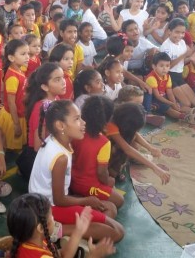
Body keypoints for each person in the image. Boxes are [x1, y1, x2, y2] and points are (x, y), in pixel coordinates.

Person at [29, 100, 125, 243]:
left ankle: (73, 234)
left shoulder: (55, 139)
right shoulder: (60, 157)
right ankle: (56, 230)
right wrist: (86, 200)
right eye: (77, 119)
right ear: (61, 125)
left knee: (110, 207)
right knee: (117, 231)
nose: (83, 122)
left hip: (43, 202)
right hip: (49, 208)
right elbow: (59, 199)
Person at [7, 193, 116, 258]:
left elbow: (62, 255)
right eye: (52, 217)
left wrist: (78, 232)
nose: (54, 219)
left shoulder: (30, 241)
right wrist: (95, 255)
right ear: (40, 228)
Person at [71, 96, 124, 209]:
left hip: (72, 179)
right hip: (88, 185)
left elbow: (74, 158)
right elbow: (101, 173)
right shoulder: (104, 142)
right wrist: (105, 183)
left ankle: (79, 196)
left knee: (112, 180)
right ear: (107, 119)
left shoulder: (75, 133)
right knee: (119, 201)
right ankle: (83, 202)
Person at [0, 39, 29, 150]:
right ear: (11, 58)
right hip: (12, 118)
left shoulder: (19, 70)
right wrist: (16, 124)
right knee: (11, 146)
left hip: (19, 114)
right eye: (23, 54)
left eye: (28, 53)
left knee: (16, 145)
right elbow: (11, 102)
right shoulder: (13, 77)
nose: (27, 57)